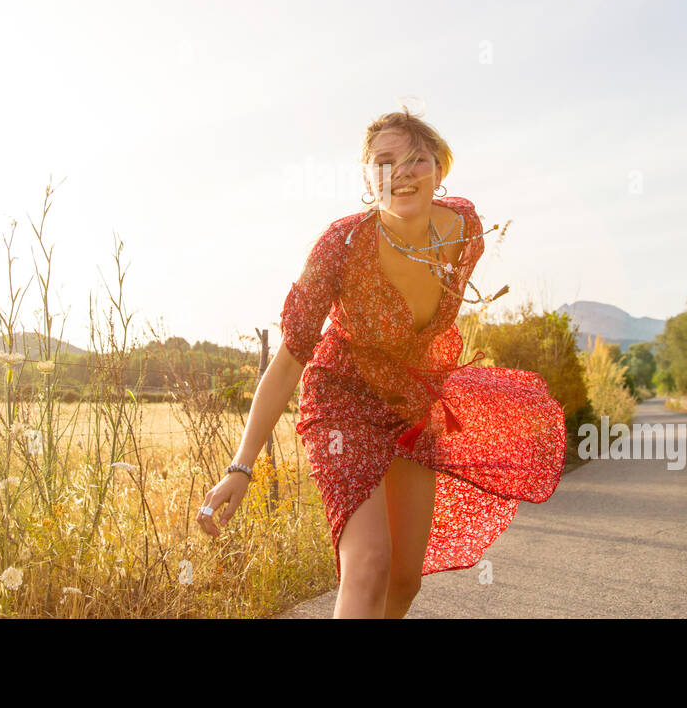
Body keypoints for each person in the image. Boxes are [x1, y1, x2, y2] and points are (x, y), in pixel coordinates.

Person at [195, 107, 567, 618]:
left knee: (404, 580)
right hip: (342, 402)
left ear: (440, 168)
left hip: (411, 402)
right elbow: (286, 364)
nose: (401, 173)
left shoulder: (465, 232)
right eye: (384, 162)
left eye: (417, 159)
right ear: (369, 177)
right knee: (368, 566)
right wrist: (241, 466)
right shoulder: (340, 246)